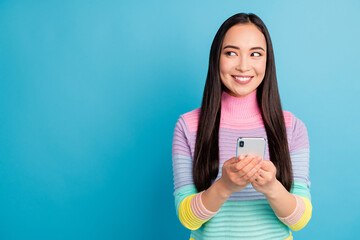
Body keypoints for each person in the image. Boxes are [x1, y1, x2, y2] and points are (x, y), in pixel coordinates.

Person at [171, 13, 312, 240]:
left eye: (255, 54)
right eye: (231, 53)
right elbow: (188, 218)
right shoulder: (188, 126)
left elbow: (300, 220)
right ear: (216, 58)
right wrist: (224, 186)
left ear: (267, 61)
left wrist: (271, 188)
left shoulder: (292, 127)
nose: (244, 66)